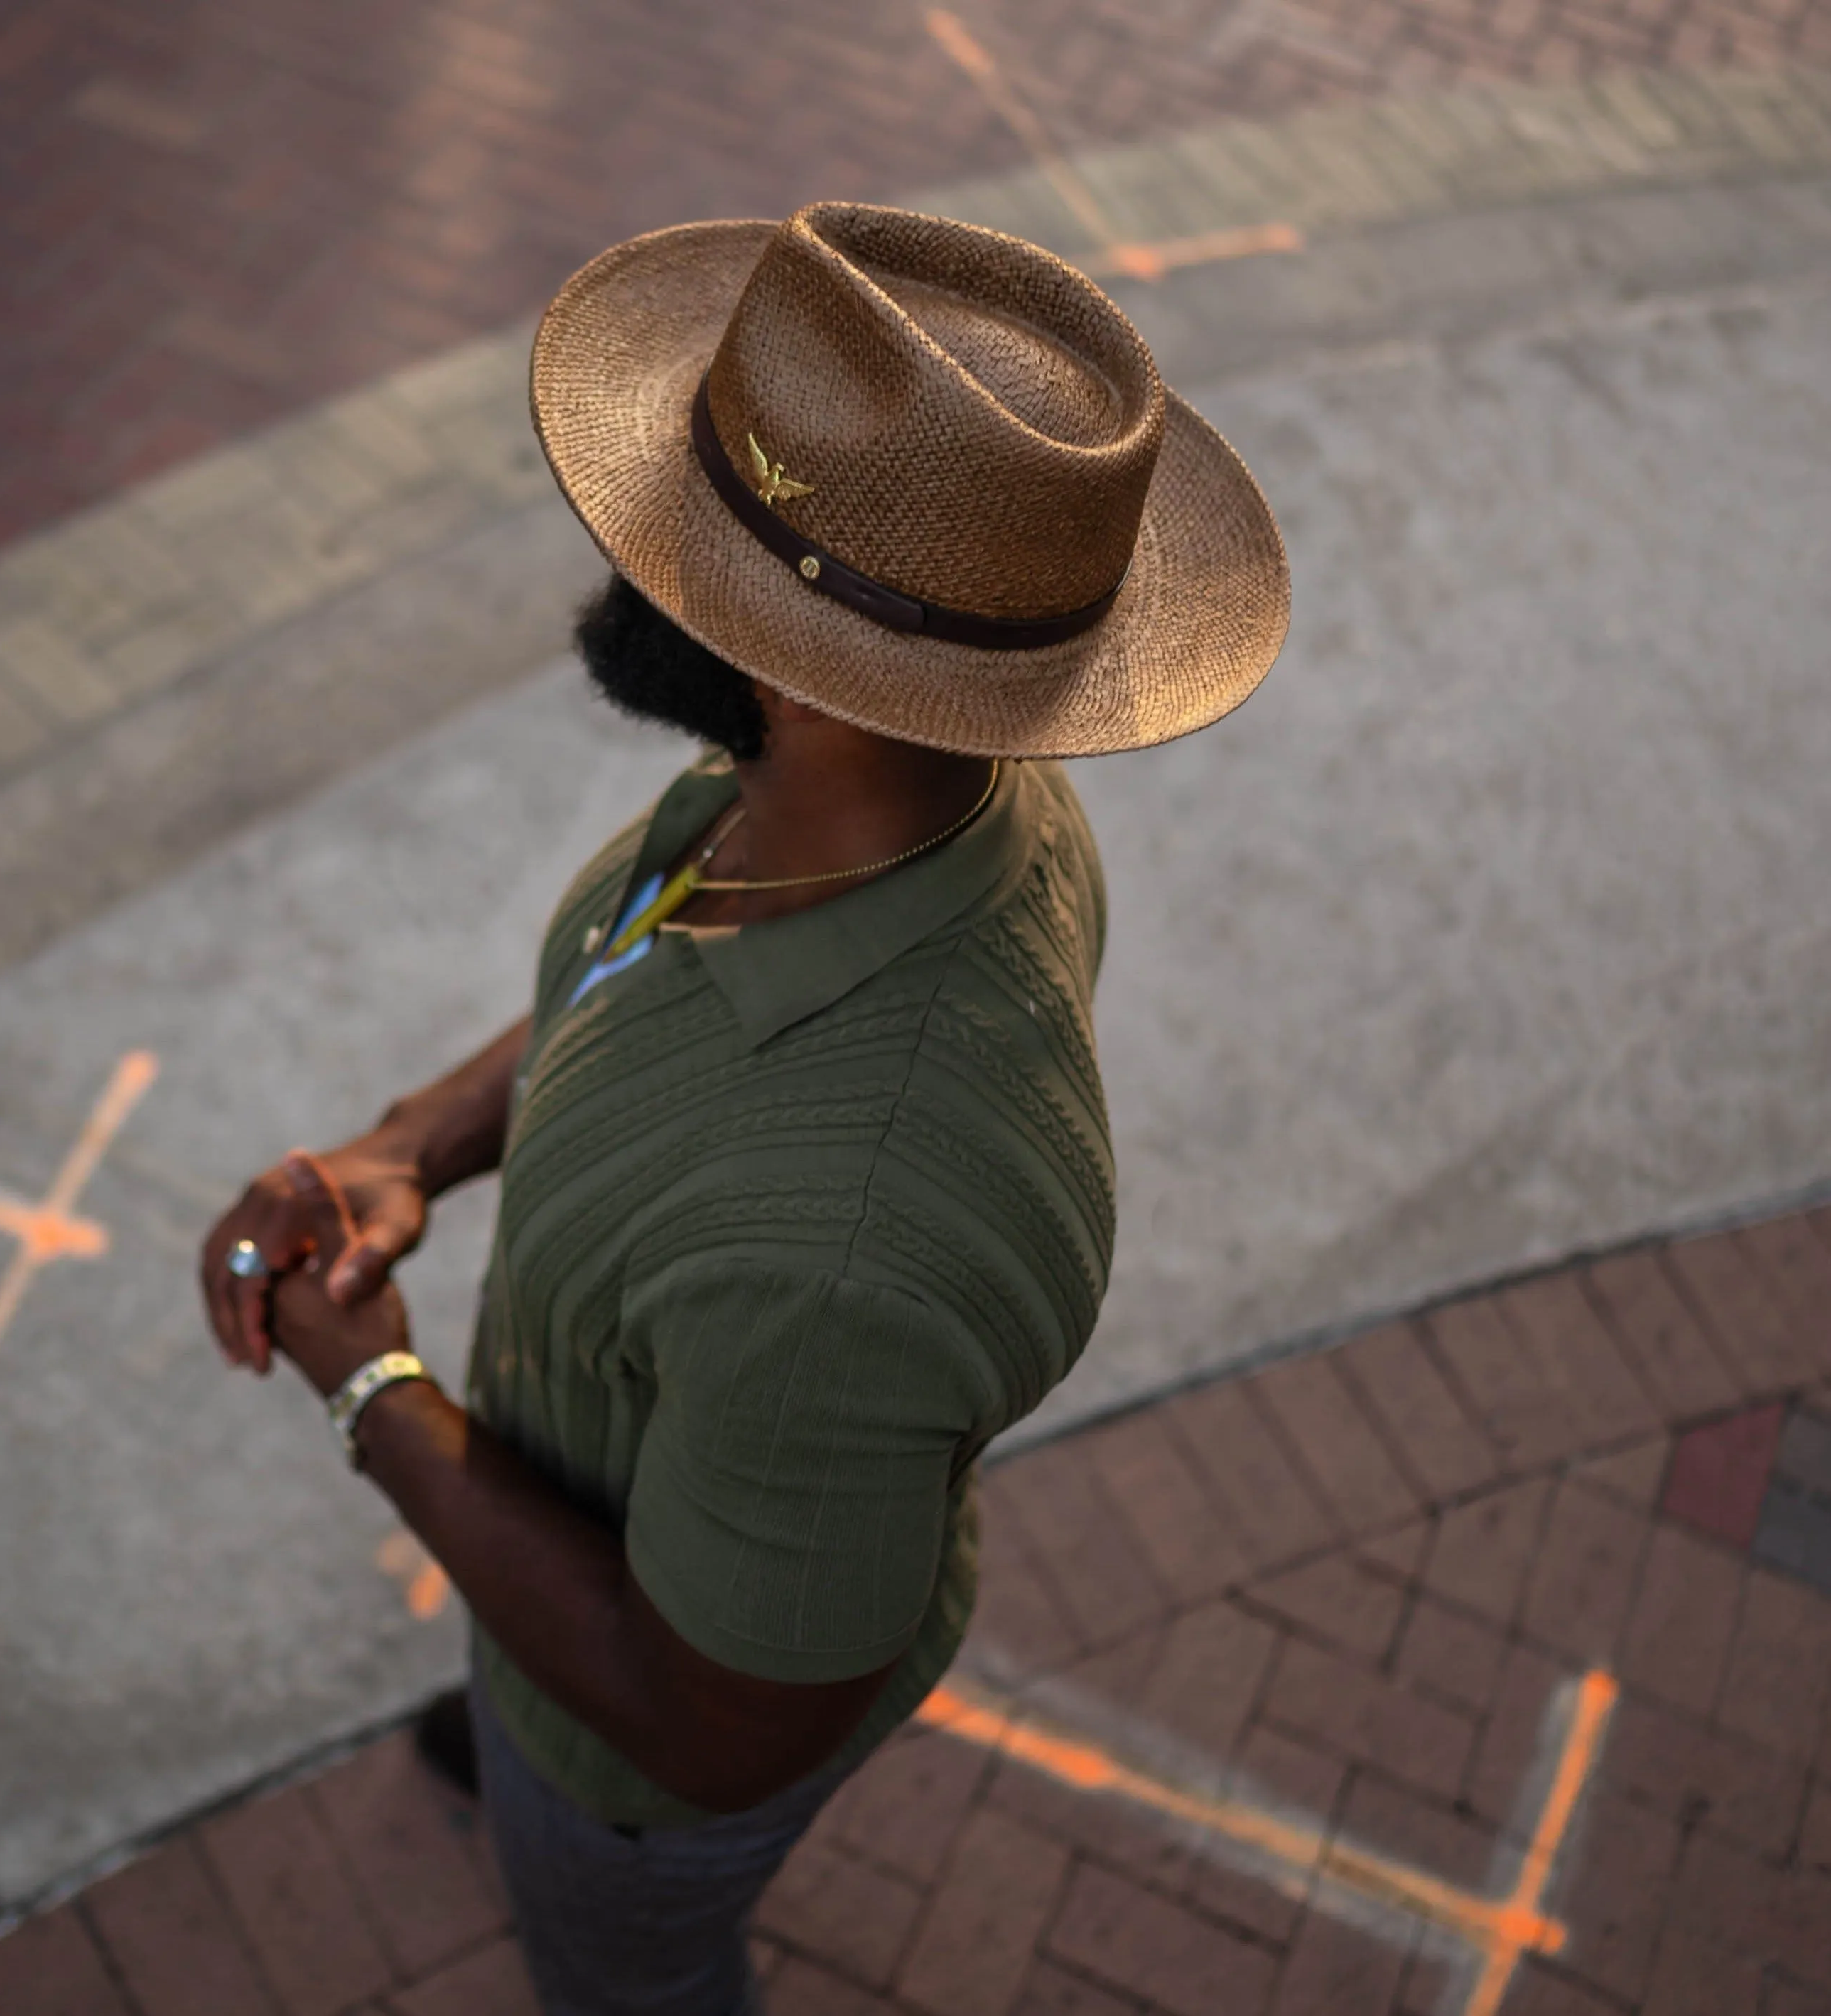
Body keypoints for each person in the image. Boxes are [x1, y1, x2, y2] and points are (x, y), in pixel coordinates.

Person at [200, 198, 1287, 2015]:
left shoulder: (852, 1251)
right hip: (626, 1537)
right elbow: (644, 967)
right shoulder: (869, 808)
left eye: (683, 542)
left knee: (628, 1968)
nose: (630, 551)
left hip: (632, 1764)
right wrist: (411, 1144)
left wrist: (369, 1381)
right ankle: (505, 1714)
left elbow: (704, 1724)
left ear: (819, 667)